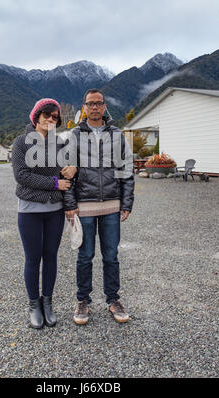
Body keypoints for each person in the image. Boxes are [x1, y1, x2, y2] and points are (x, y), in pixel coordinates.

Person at [64, 89, 135, 325]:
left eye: (99, 103)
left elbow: (127, 170)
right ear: (84, 107)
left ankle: (113, 299)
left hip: (112, 206)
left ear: (105, 107)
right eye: (90, 104)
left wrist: (126, 202)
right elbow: (66, 172)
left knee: (111, 256)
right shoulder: (74, 135)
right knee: (85, 256)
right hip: (84, 206)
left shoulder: (117, 135)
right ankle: (83, 300)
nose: (94, 107)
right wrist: (70, 203)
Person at [12, 98, 76, 329]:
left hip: (55, 211)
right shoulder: (21, 143)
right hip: (29, 210)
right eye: (47, 114)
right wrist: (54, 183)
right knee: (32, 258)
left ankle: (47, 302)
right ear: (36, 116)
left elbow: (68, 173)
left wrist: (73, 169)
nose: (51, 119)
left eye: (55, 117)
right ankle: (33, 305)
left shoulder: (60, 144)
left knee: (50, 257)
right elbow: (21, 175)